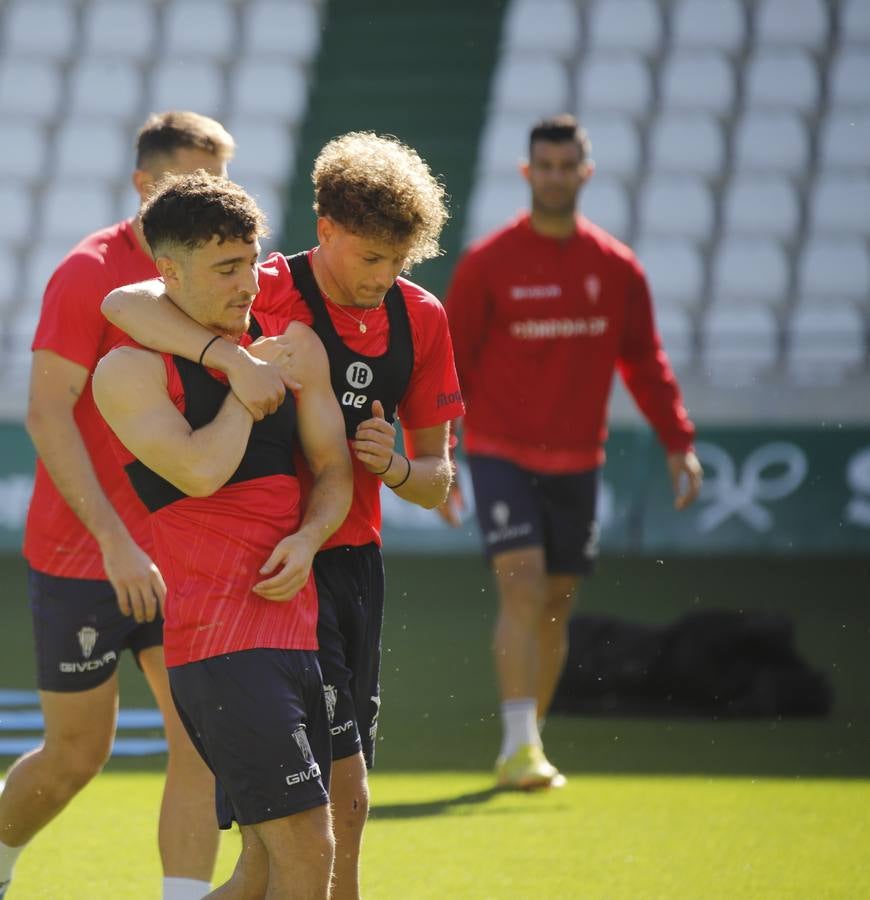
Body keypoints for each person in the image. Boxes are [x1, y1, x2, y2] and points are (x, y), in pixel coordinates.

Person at [102, 131, 462, 899]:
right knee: (324, 819)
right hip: (265, 571)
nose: (384, 276)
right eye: (371, 257)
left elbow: (438, 481)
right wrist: (234, 361)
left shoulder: (422, 318)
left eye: (400, 261)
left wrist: (397, 468)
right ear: (326, 229)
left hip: (346, 558)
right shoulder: (261, 287)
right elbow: (126, 302)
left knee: (302, 839)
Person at [0, 112, 283, 900]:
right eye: (193, 178)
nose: (211, 195)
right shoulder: (88, 272)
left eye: (221, 180)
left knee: (199, 741)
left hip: (180, 548)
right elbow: (47, 415)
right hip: (84, 553)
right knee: (76, 755)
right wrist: (114, 540)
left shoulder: (225, 270)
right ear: (144, 185)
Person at [94, 171, 354, 900]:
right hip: (221, 647)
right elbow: (200, 472)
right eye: (227, 268)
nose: (250, 283)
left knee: (260, 872)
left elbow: (334, 472)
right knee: (309, 850)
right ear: (170, 272)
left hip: (299, 635)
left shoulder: (285, 348)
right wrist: (246, 386)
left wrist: (309, 538)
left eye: (253, 261)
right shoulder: (128, 370)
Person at [440, 114, 703, 789]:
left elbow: (645, 361)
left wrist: (678, 441)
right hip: (501, 450)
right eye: (545, 166)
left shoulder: (615, 267)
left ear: (585, 173)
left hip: (579, 457)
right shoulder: (488, 263)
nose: (555, 177)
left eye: (567, 167)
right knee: (522, 582)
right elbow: (450, 364)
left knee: (557, 598)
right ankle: (518, 744)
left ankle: (528, 743)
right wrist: (441, 454)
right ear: (527, 172)